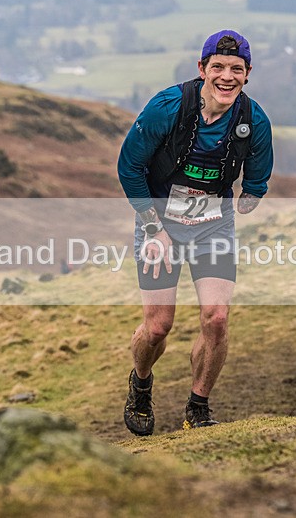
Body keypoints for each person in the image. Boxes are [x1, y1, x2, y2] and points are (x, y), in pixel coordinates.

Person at [117, 29, 274, 436]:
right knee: (157, 327)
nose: (226, 76)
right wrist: (155, 227)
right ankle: (141, 383)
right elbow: (128, 168)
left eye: (236, 70)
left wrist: (251, 194)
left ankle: (198, 406)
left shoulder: (253, 120)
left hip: (212, 226)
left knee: (217, 318)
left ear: (247, 74)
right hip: (159, 222)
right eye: (217, 67)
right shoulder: (167, 107)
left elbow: (258, 177)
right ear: (201, 68)